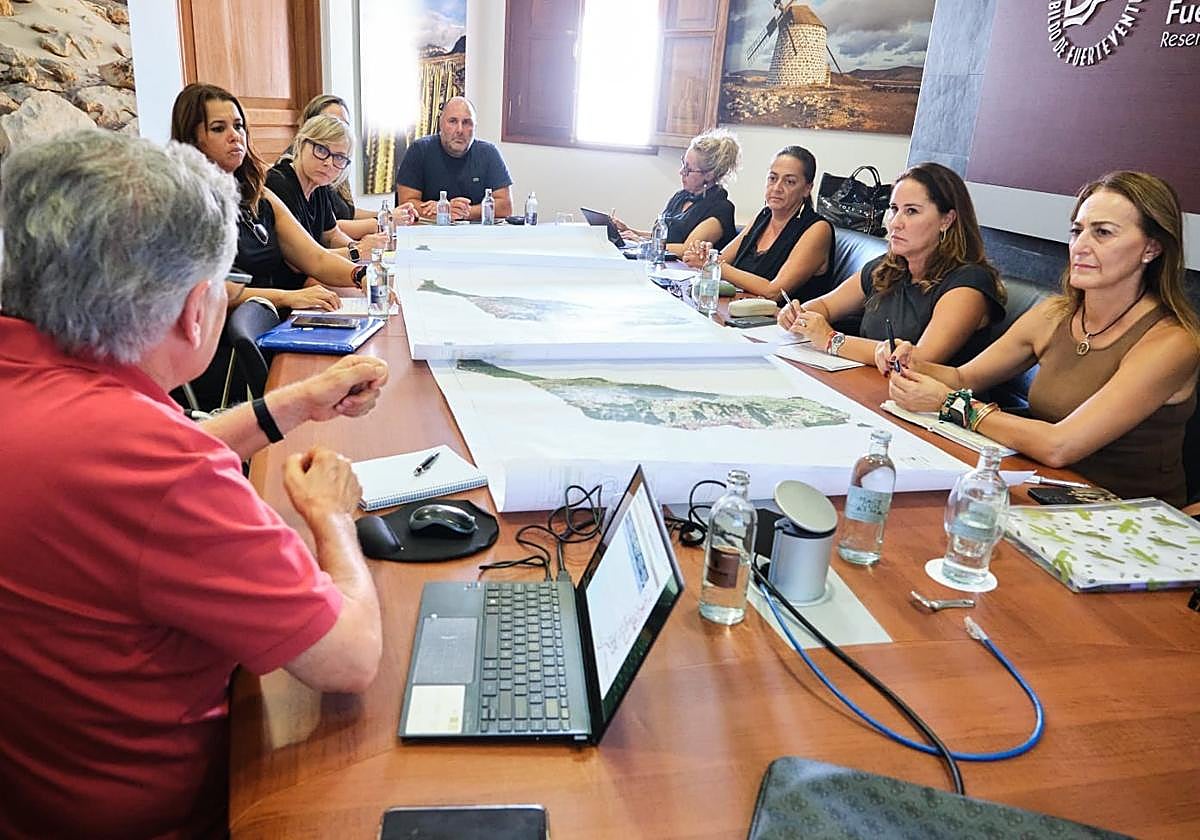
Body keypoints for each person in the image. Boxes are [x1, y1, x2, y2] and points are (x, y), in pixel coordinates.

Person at [0, 130, 387, 838]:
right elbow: (350, 657)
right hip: (170, 815)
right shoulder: (162, 472)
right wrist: (333, 517)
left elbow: (120, 475)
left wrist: (288, 405)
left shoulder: (45, 397)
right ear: (195, 308)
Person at [886, 171, 1199, 505]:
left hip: (1122, 516)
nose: (1080, 246)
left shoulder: (1173, 341)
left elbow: (1058, 445)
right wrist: (911, 361)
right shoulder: (1055, 314)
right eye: (1077, 231)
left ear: (1151, 248)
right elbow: (964, 376)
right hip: (1041, 488)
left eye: (1103, 233)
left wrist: (952, 405)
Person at [779, 162, 1005, 370]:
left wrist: (831, 339)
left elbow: (917, 359)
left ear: (947, 219)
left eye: (911, 211)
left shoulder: (970, 282)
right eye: (894, 209)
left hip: (927, 407)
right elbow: (825, 307)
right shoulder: (887, 267)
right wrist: (797, 314)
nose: (895, 222)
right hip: (872, 387)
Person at [171, 82, 359, 313]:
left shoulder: (258, 193)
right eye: (219, 128)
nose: (235, 136)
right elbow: (214, 290)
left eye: (239, 126)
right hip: (228, 335)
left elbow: (316, 258)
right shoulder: (187, 205)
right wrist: (289, 297)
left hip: (272, 318)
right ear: (192, 139)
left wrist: (362, 275)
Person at [681, 145, 835, 300]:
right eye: (773, 178)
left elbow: (774, 291)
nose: (777, 188)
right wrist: (704, 254)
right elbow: (723, 259)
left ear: (807, 189)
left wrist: (713, 264)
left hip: (778, 320)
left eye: (789, 182)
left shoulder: (818, 229)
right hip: (737, 312)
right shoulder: (763, 216)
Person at [268, 114, 391, 280]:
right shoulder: (279, 183)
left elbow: (332, 235)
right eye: (321, 150)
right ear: (301, 143)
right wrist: (358, 251)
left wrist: (357, 246)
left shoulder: (319, 185)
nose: (328, 163)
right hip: (285, 283)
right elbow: (299, 263)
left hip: (310, 276)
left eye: (339, 158)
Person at [289, 94, 417, 238]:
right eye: (331, 122)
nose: (337, 131)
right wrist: (383, 221)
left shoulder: (329, 166)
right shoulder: (307, 171)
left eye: (344, 125)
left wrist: (387, 214)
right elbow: (326, 232)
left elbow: (347, 213)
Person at [612, 128, 741, 254]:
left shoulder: (721, 209)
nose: (681, 172)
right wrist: (629, 231)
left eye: (688, 169)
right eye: (683, 164)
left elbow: (687, 249)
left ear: (709, 175)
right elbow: (662, 239)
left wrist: (641, 243)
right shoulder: (681, 197)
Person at [394, 95, 513, 222]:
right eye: (453, 121)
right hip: (428, 232)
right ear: (441, 124)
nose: (460, 130)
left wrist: (464, 212)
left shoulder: (489, 153)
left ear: (475, 127)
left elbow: (505, 207)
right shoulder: (419, 150)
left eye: (467, 122)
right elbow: (405, 206)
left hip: (475, 234)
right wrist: (444, 210)